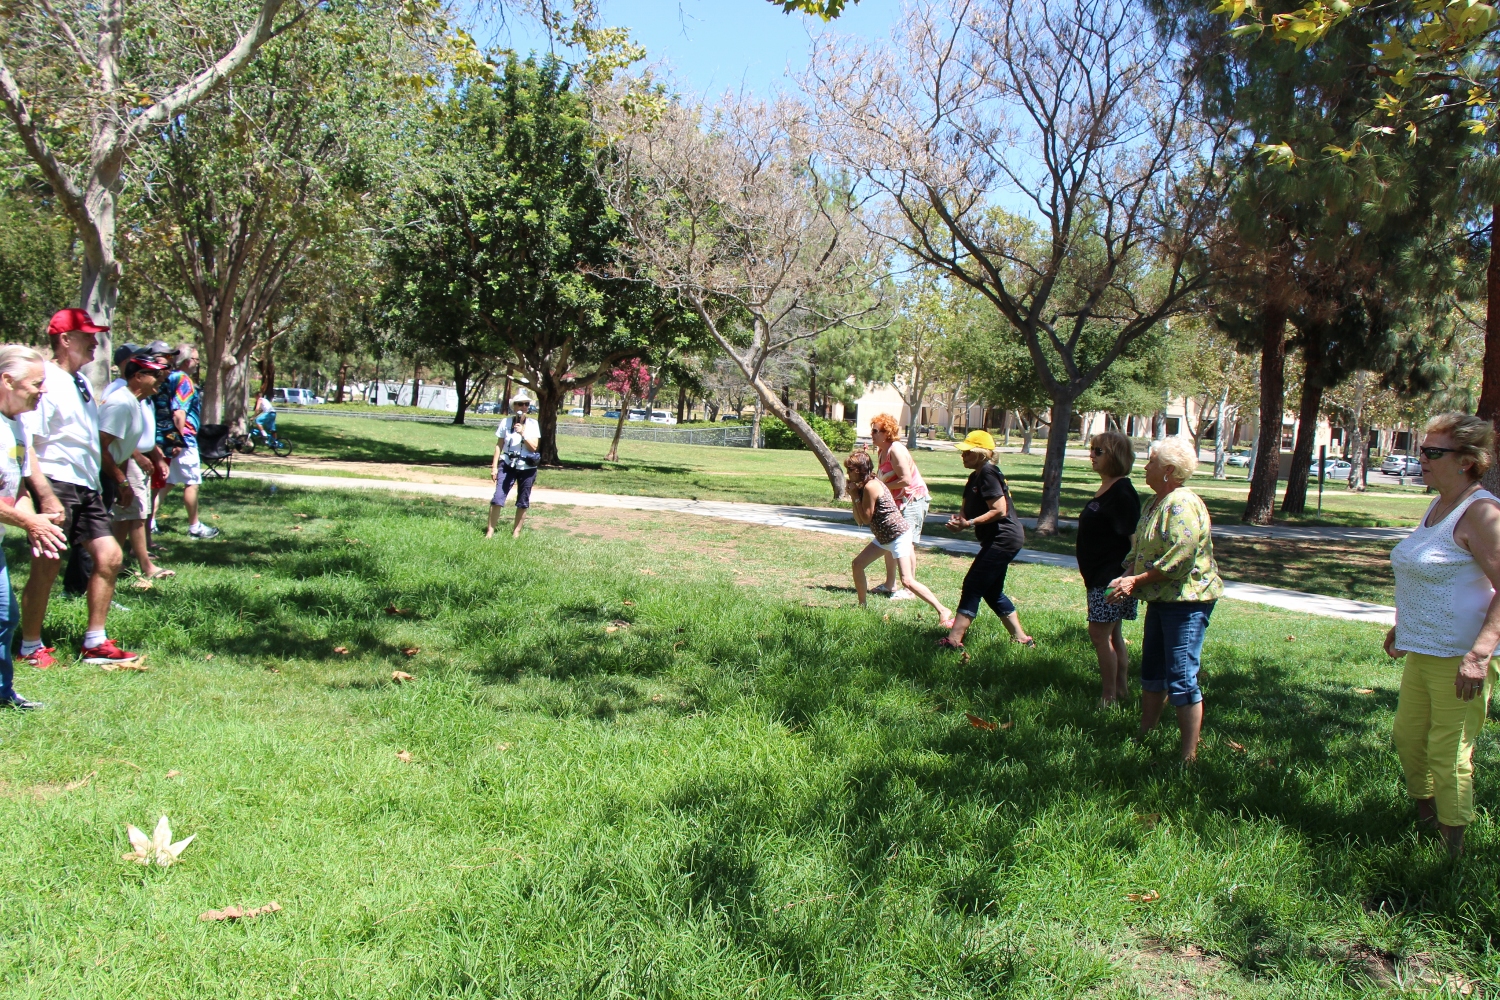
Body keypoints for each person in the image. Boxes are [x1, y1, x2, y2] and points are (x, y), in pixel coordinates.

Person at [1386, 412, 1500, 859]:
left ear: (1467, 461)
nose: (1422, 459)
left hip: (1459, 659)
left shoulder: (1482, 512)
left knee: (1449, 755)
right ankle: (1427, 825)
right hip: (1422, 651)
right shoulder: (1438, 505)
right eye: (1422, 450)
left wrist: (1481, 653)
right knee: (1409, 739)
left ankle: (1451, 856)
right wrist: (1405, 624)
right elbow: (1429, 575)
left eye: (1434, 452)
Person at [18, 309, 143, 668]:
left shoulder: (81, 382)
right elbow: (30, 443)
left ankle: (95, 642)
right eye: (87, 335)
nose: (95, 342)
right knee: (48, 564)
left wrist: (112, 478)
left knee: (111, 557)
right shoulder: (46, 379)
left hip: (86, 485)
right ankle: (29, 646)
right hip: (56, 482)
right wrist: (44, 494)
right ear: (65, 339)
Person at [1106, 439, 1222, 763]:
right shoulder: (1155, 501)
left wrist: (1137, 581)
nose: (1145, 467)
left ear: (1168, 470)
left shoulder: (1181, 503)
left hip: (1186, 601)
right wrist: (1128, 572)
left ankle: (1188, 756)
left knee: (1181, 675)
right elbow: (1141, 549)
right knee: (1154, 670)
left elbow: (1179, 560)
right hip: (1161, 597)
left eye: (1151, 462)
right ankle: (1145, 734)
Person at [0, 345, 70, 707]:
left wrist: (35, 518)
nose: (42, 391)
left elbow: (14, 487)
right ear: (7, 381)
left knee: (3, 616)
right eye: (37, 383)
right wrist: (29, 521)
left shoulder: (15, 424)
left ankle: (1, 694)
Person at [937, 430, 1034, 650]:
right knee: (991, 590)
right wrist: (959, 523)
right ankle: (1021, 638)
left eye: (968, 452)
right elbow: (965, 513)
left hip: (1004, 537)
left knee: (973, 584)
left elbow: (1000, 510)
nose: (963, 456)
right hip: (996, 538)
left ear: (981, 453)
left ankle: (953, 640)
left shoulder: (989, 473)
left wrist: (969, 524)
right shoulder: (974, 476)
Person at [846, 447, 953, 622]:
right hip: (884, 537)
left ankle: (943, 610)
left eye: (850, 470)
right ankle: (862, 606)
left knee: (907, 581)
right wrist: (854, 496)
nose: (848, 473)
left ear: (858, 471)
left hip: (897, 535)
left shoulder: (871, 486)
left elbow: (865, 518)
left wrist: (854, 496)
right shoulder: (864, 486)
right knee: (857, 564)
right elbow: (859, 520)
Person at [1077, 431, 1141, 707]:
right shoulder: (1109, 487)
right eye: (1092, 449)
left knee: (1099, 635)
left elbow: (1135, 543)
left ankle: (1109, 697)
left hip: (1111, 578)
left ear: (1115, 455)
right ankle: (1121, 691)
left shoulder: (1122, 494)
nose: (1092, 455)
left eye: (1098, 451)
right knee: (1113, 634)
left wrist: (1126, 578)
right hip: (1098, 576)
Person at [100, 349, 173, 588]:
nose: (159, 380)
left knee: (123, 517)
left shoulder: (135, 402)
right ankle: (84, 583)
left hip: (114, 473)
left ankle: (113, 564)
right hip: (102, 475)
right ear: (137, 376)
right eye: (154, 375)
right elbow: (101, 447)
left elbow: (121, 447)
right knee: (97, 529)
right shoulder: (121, 403)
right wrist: (121, 481)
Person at [152, 343, 218, 539]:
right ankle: (195, 527)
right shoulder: (183, 380)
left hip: (169, 438)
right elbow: (179, 413)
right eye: (197, 360)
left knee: (168, 483)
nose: (198, 364)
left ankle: (149, 521)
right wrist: (177, 441)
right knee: (192, 483)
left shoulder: (167, 378)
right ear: (188, 361)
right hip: (184, 440)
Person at [868, 413, 932, 601]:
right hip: (898, 502)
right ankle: (890, 584)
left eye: (875, 431)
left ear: (887, 433)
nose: (871, 434)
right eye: (872, 430)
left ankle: (910, 589)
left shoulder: (896, 450)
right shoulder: (882, 451)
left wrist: (881, 487)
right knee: (891, 540)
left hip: (912, 500)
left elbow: (906, 480)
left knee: (906, 544)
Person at [488, 389, 540, 539]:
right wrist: (494, 467)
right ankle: (490, 532)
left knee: (523, 501)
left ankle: (516, 533)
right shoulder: (506, 422)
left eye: (526, 404)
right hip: (507, 464)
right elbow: (499, 445)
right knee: (498, 497)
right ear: (514, 406)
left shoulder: (533, 424)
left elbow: (534, 446)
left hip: (527, 467)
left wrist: (523, 433)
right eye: (519, 404)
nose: (523, 407)